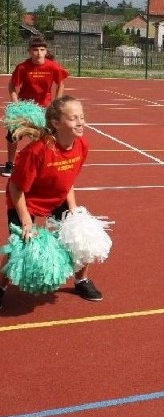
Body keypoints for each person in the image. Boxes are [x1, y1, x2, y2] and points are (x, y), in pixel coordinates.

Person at [0, 96, 102, 309]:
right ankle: (0, 287)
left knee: (81, 236)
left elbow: (68, 181)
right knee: (19, 246)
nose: (81, 122)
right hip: (26, 202)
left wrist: (73, 211)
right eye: (74, 118)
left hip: (57, 198)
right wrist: (27, 222)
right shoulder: (37, 151)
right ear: (56, 123)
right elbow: (15, 187)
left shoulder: (81, 146)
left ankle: (81, 280)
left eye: (82, 117)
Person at [3, 35, 69, 177]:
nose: (38, 53)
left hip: (44, 108)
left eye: (41, 49)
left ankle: (46, 162)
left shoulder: (53, 67)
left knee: (47, 137)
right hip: (25, 107)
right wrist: (16, 105)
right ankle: (10, 164)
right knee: (12, 134)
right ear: (29, 51)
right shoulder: (22, 67)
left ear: (46, 51)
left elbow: (61, 84)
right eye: (35, 50)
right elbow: (12, 86)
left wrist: (56, 103)